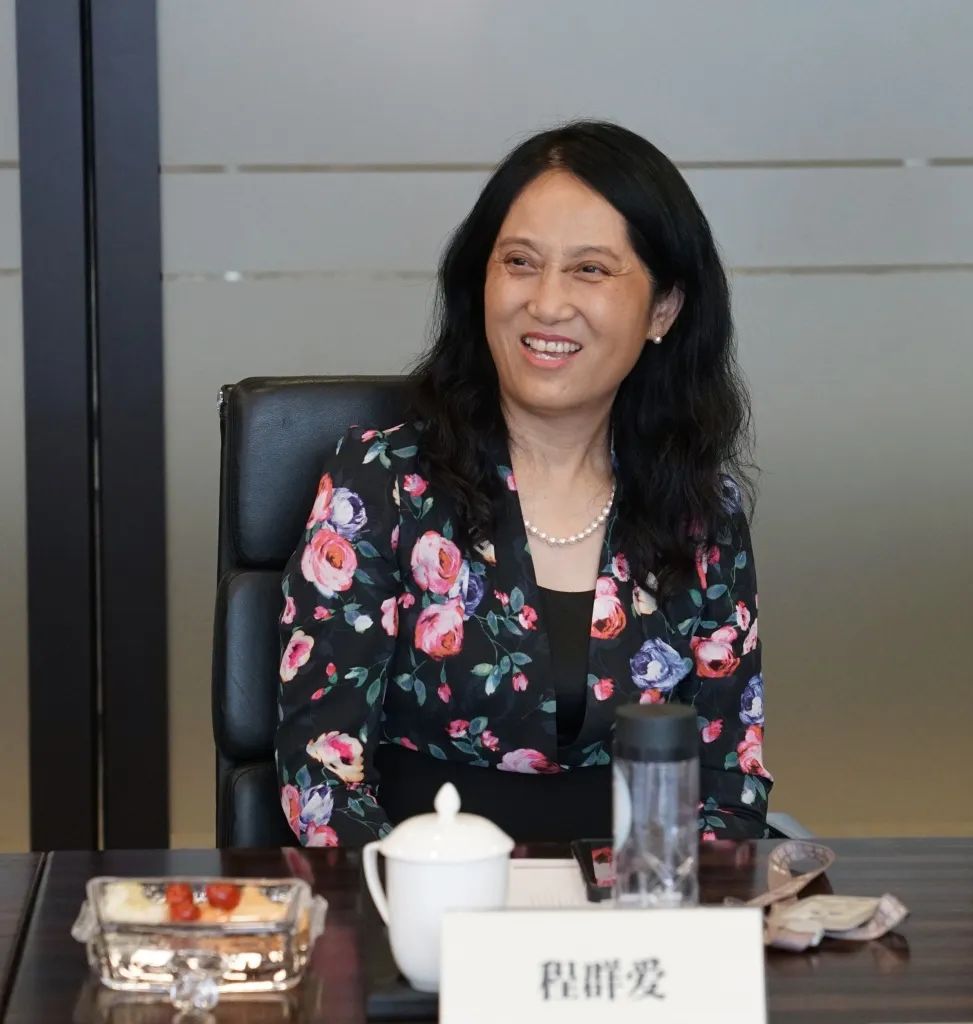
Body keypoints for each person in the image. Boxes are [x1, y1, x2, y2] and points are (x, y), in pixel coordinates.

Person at [276, 120, 771, 848]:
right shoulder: (382, 483)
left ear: (663, 309)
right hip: (422, 895)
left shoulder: (701, 511)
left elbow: (728, 783)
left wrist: (664, 905)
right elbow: (322, 781)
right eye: (519, 262)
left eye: (590, 270)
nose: (546, 303)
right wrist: (421, 899)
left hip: (635, 904)